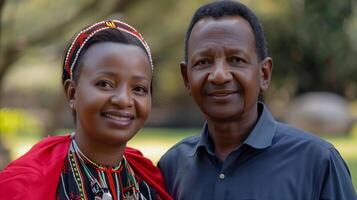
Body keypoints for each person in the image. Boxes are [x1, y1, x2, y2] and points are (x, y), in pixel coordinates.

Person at [158, 1, 357, 200]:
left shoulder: (317, 162)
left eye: (236, 59)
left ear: (264, 74)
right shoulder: (172, 166)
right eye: (203, 62)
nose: (219, 75)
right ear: (186, 78)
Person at [0, 19, 172, 200]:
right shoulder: (24, 186)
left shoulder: (153, 179)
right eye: (105, 84)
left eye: (139, 89)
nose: (123, 100)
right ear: (72, 93)